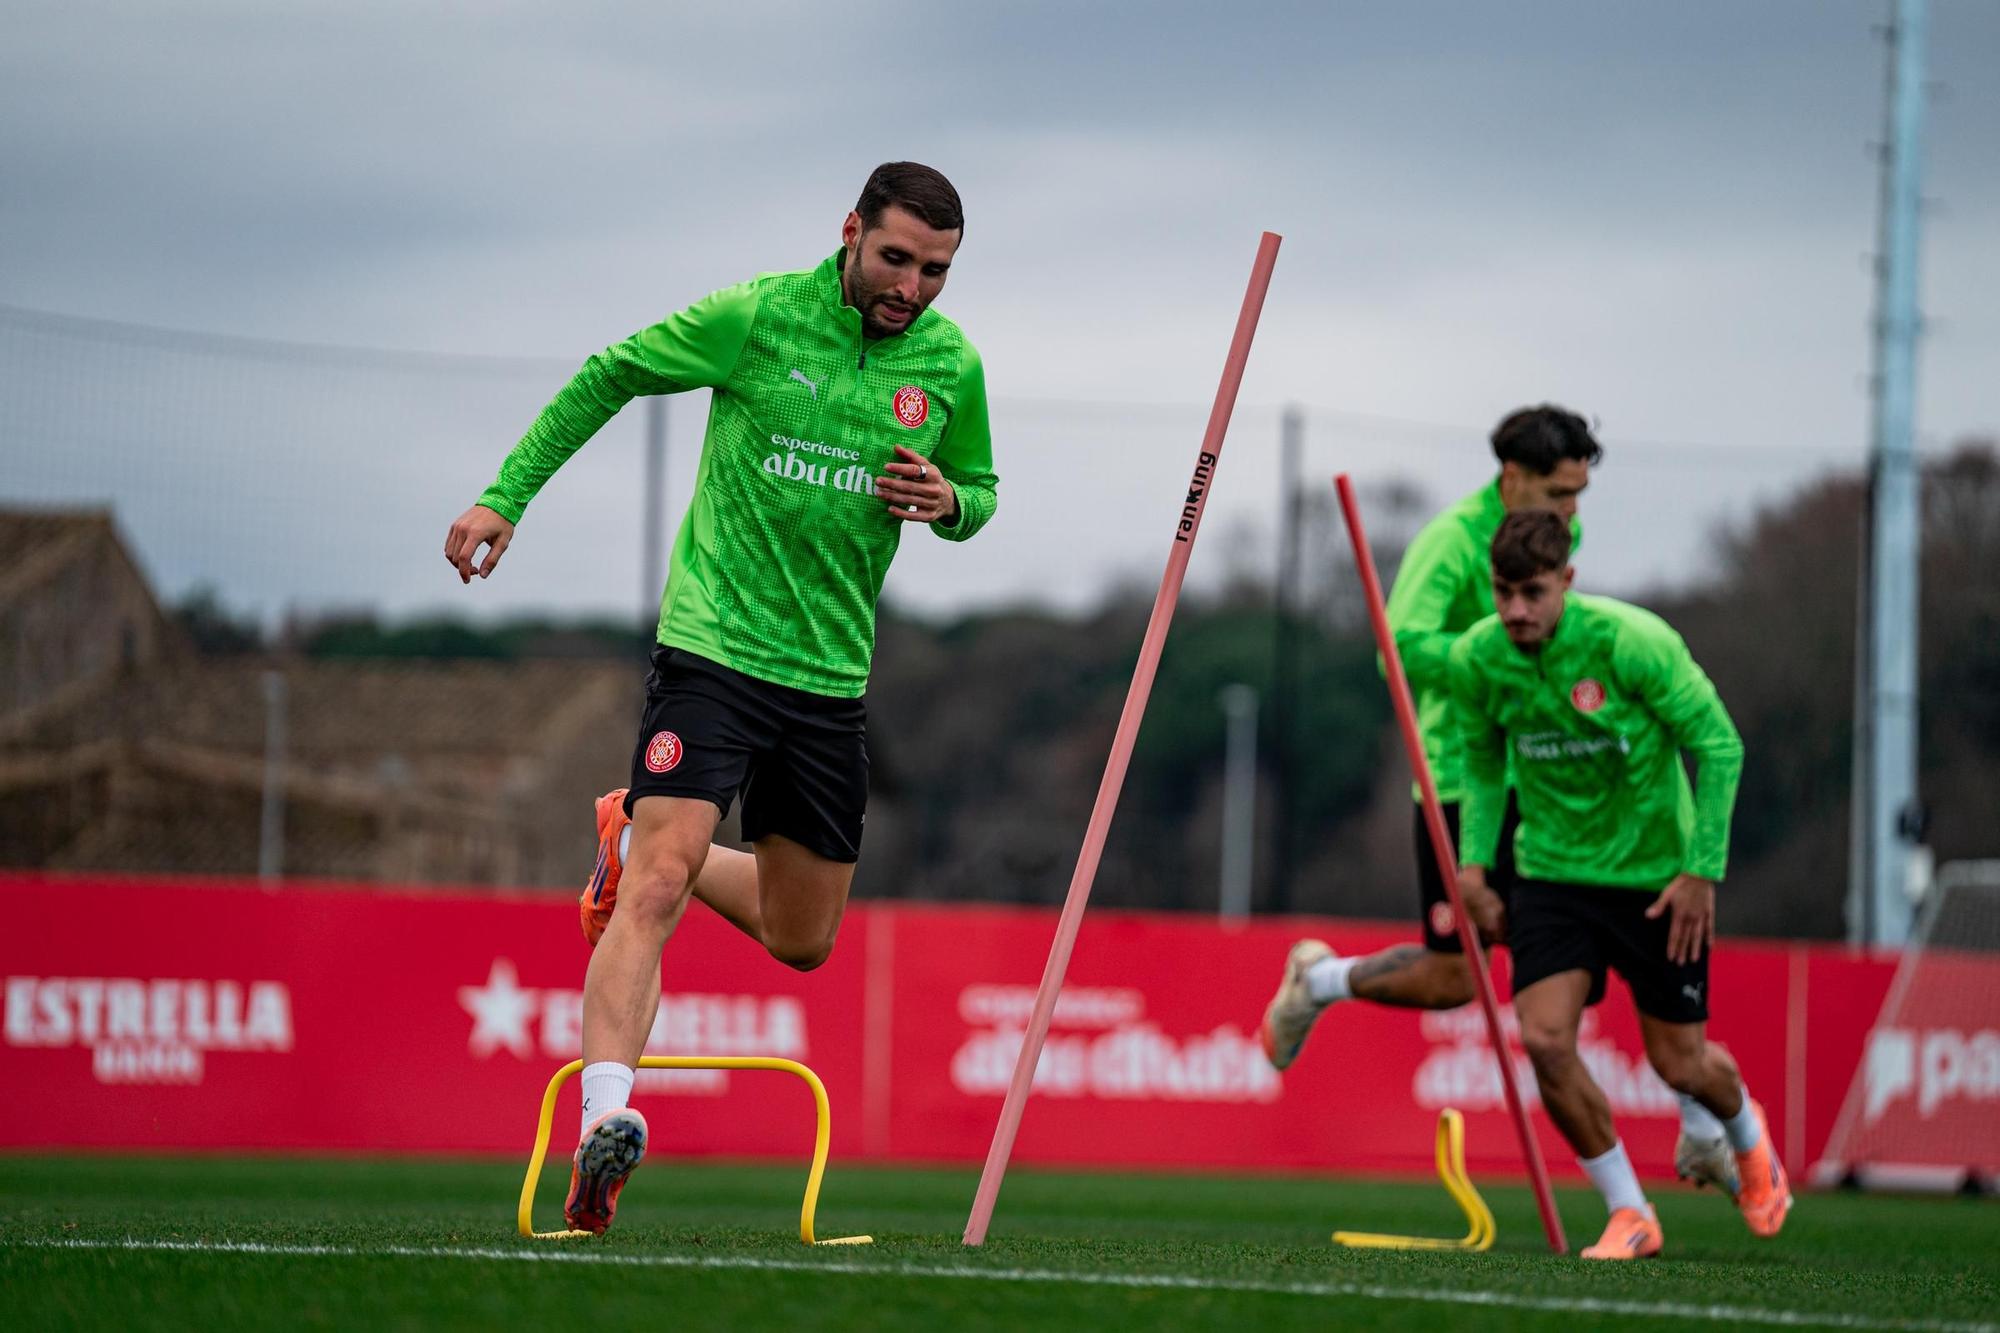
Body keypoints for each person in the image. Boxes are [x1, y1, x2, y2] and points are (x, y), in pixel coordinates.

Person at [443, 162, 997, 1235]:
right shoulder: (753, 315)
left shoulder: (951, 363)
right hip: (712, 653)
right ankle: (606, 1118)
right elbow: (610, 372)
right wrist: (503, 496)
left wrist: (949, 501)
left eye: (933, 270)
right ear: (848, 231)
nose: (912, 287)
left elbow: (979, 490)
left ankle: (626, 824)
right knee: (655, 881)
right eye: (894, 259)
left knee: (803, 938)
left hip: (830, 682)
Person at [1259, 405, 1739, 1196]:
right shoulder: (1451, 542)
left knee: (1614, 943)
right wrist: (1501, 666)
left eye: (1580, 496)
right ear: (1512, 479)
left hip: (1557, 779)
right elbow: (1403, 648)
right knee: (1458, 979)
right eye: (1559, 493)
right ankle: (1320, 982)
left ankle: (1695, 1128)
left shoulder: (1558, 538)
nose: (1573, 514)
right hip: (1463, 775)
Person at [1455, 509, 1787, 1257]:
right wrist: (1475, 867)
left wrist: (1703, 869)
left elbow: (1720, 745)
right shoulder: (1479, 657)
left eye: (1532, 593)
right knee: (1543, 1039)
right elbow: (1480, 760)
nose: (1515, 611)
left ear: (1566, 581)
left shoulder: (1633, 643)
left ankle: (1745, 1135)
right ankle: (1629, 1211)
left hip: (1655, 880)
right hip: (1549, 875)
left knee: (1681, 1064)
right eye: (1503, 592)